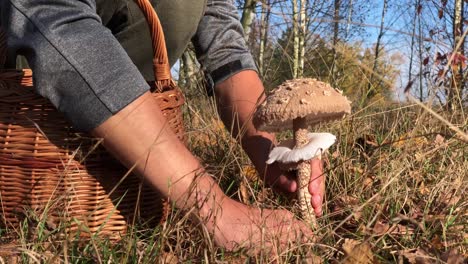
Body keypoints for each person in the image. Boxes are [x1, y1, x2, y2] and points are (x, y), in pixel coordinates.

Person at [2, 0, 324, 253]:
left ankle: (134, 160)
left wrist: (270, 150)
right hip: (28, 129)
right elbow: (55, 17)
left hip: (130, 178)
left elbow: (225, 46)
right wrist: (214, 209)